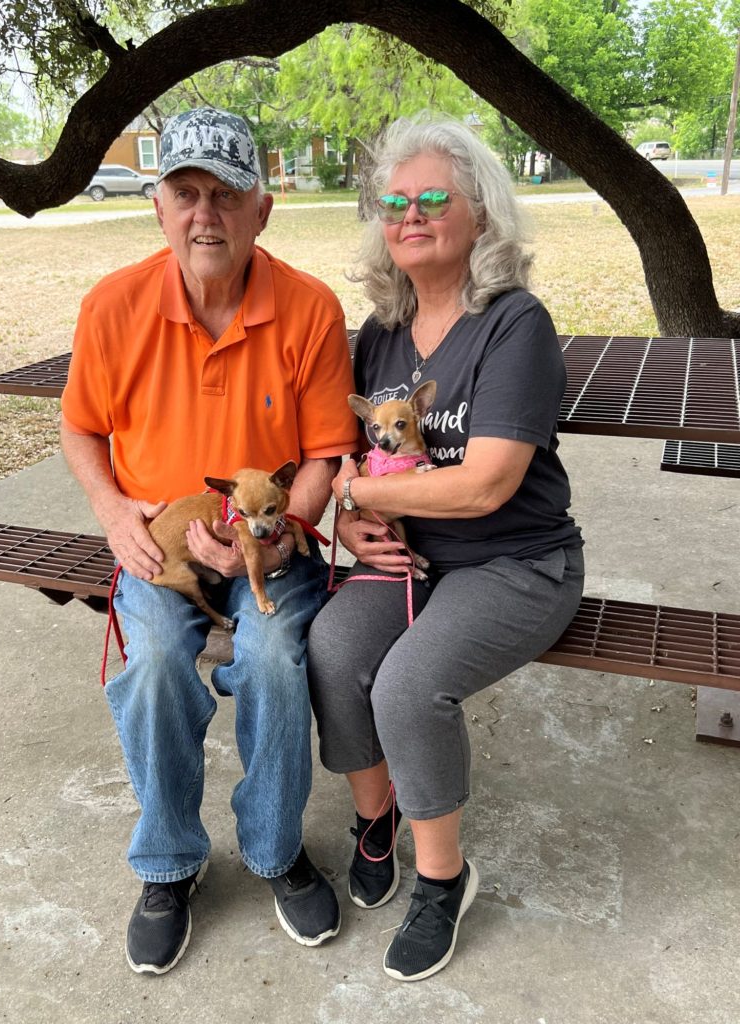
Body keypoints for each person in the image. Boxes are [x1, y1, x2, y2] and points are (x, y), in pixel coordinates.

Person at [61, 107, 357, 975]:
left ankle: (274, 848)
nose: (205, 215)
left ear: (261, 210)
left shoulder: (309, 308)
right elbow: (80, 428)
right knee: (155, 661)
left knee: (273, 659)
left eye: (225, 195)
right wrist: (115, 512)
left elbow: (325, 454)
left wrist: (284, 534)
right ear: (158, 206)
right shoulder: (113, 306)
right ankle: (168, 863)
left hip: (271, 545)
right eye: (186, 193)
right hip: (162, 544)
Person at [307, 115, 584, 983]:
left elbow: (485, 484)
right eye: (394, 203)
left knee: (408, 683)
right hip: (411, 559)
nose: (411, 215)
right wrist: (349, 517)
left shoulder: (514, 324)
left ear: (481, 214)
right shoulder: (380, 332)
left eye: (433, 197)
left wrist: (362, 496)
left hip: (516, 562)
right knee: (331, 646)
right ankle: (377, 818)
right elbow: (353, 460)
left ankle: (442, 880)